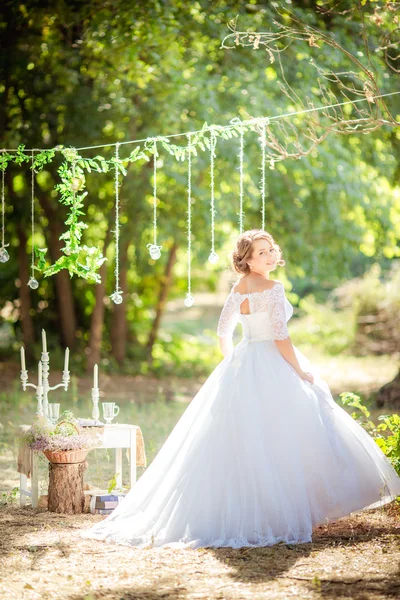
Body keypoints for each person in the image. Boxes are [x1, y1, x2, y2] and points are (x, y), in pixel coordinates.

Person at [82, 229, 400, 549]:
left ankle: (266, 509)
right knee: (286, 431)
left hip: (245, 358)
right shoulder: (273, 289)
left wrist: (233, 361)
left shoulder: (239, 288)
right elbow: (280, 336)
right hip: (273, 360)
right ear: (246, 260)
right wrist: (299, 369)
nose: (269, 255)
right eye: (260, 252)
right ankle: (289, 510)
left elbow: (223, 331)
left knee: (246, 436)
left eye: (270, 249)